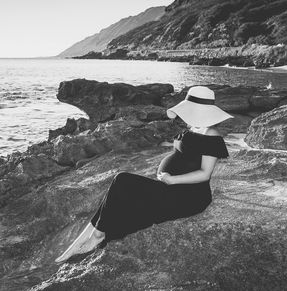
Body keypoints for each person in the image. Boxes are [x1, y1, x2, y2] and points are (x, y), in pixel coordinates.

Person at [55, 86, 233, 263]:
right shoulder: (193, 127)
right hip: (172, 186)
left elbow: (205, 174)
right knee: (118, 195)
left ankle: (98, 234)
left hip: (189, 196)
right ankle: (89, 235)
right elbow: (182, 155)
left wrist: (172, 179)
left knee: (122, 180)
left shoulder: (212, 135)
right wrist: (165, 172)